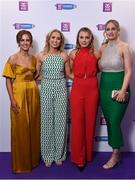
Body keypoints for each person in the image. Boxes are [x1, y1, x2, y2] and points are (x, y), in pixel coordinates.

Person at [2, 30, 40, 173]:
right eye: (22, 40)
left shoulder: (34, 58)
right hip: (18, 94)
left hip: (33, 93)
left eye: (28, 40)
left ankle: (32, 160)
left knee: (32, 126)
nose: (25, 42)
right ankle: (21, 163)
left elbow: (35, 76)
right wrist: (12, 99)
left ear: (30, 43)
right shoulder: (12, 58)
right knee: (20, 128)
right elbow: (7, 81)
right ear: (18, 42)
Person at [98, 19, 132, 169]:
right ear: (105, 32)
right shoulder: (102, 47)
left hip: (119, 88)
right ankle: (115, 152)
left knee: (114, 121)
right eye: (108, 29)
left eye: (113, 29)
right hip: (104, 89)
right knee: (110, 121)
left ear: (118, 31)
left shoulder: (124, 47)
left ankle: (115, 155)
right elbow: (94, 64)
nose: (110, 31)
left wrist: (123, 90)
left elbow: (129, 71)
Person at [37, 29, 71, 167]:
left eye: (58, 38)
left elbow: (69, 74)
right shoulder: (41, 55)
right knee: (46, 121)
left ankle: (59, 155)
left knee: (61, 121)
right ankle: (47, 154)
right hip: (46, 89)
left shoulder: (64, 55)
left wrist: (87, 77)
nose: (55, 40)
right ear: (48, 39)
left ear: (61, 41)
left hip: (61, 89)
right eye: (53, 37)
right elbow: (37, 75)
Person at [69, 27, 100, 170]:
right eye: (81, 37)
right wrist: (79, 79)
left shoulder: (97, 53)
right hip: (77, 88)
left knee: (90, 122)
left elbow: (99, 69)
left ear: (91, 39)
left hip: (92, 88)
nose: (84, 40)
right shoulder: (73, 53)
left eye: (87, 37)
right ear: (78, 39)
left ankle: (88, 154)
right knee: (77, 123)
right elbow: (69, 72)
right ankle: (79, 157)